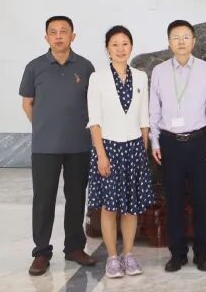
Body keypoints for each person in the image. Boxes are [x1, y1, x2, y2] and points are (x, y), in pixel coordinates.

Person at [19, 15, 98, 276]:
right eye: (53, 32)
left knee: (76, 197)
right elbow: (27, 104)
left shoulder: (85, 67)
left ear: (73, 36)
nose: (59, 36)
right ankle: (41, 252)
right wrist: (45, 127)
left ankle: (74, 248)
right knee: (44, 199)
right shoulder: (34, 67)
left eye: (64, 31)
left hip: (79, 144)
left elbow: (93, 105)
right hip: (45, 146)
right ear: (46, 37)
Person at [149, 19, 206, 273]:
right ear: (169, 42)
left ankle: (202, 254)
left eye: (186, 37)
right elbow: (154, 109)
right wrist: (155, 140)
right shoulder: (159, 71)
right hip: (170, 143)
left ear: (194, 41)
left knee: (201, 200)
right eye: (176, 37)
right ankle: (177, 254)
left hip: (199, 141)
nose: (181, 42)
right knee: (174, 201)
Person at [86, 25, 155, 278]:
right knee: (109, 207)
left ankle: (128, 254)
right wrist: (101, 155)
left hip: (134, 147)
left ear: (131, 47)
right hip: (109, 147)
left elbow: (144, 118)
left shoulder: (140, 77)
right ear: (107, 49)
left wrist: (143, 151)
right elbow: (94, 121)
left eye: (125, 43)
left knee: (130, 207)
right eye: (115, 44)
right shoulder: (98, 78)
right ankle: (113, 258)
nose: (120, 48)